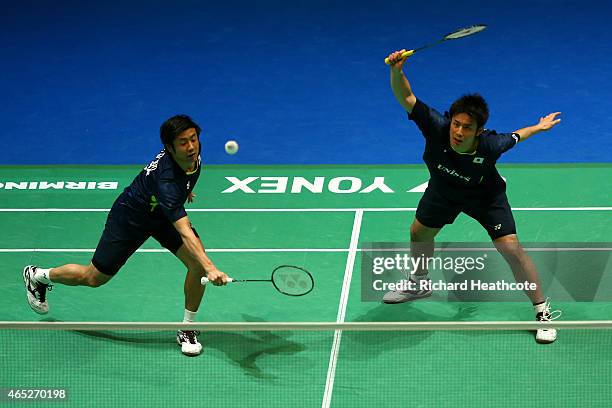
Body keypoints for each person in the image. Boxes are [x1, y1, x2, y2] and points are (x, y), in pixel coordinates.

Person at [384, 49, 562, 343]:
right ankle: (418, 283)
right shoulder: (436, 127)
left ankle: (542, 311)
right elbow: (407, 98)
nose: (458, 131)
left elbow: (517, 135)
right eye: (456, 123)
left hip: (485, 196)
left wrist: (539, 127)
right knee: (418, 232)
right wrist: (396, 71)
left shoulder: (490, 146)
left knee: (512, 250)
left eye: (467, 127)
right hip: (443, 189)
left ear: (479, 130)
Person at [22, 114, 229, 356]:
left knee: (196, 266)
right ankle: (39, 275)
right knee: (94, 278)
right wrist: (211, 267)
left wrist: (187, 191)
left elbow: (187, 178)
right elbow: (184, 232)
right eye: (183, 142)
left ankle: (187, 328)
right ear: (169, 148)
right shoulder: (166, 181)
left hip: (162, 215)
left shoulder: (192, 157)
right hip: (131, 217)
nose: (191, 146)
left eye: (193, 139)